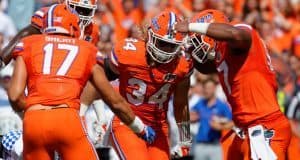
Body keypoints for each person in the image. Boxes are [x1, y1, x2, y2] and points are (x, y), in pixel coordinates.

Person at [7, 5, 155, 160]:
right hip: (67, 118)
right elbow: (113, 100)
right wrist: (139, 127)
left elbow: (14, 95)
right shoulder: (86, 49)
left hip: (33, 122)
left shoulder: (28, 45)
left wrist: (34, 112)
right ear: (73, 25)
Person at [174, 9, 291, 160]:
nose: (196, 45)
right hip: (244, 129)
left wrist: (191, 26)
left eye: (197, 39)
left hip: (265, 125)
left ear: (213, 31)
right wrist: (187, 54)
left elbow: (235, 34)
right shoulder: (224, 52)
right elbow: (205, 67)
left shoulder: (239, 31)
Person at [101, 11, 193, 160]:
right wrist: (94, 111)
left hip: (158, 129)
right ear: (149, 35)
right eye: (162, 43)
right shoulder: (128, 53)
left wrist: (185, 140)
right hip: (128, 123)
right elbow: (99, 78)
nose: (165, 51)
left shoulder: (182, 65)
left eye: (171, 46)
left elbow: (181, 104)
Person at [190, 77, 233, 160]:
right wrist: (192, 118)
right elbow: (190, 115)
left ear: (214, 88)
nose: (207, 90)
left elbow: (232, 122)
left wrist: (221, 127)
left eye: (209, 88)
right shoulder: (200, 103)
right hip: (200, 145)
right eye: (205, 88)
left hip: (215, 145)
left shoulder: (221, 105)